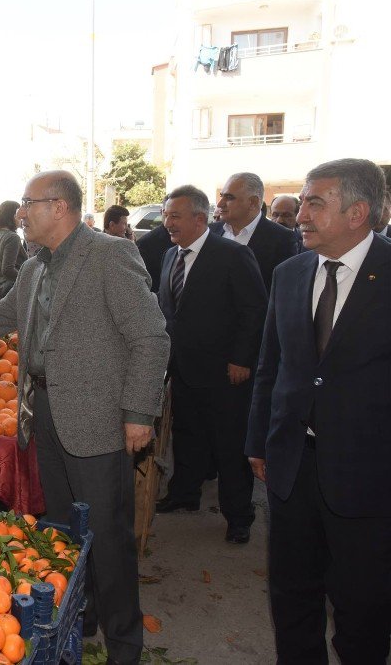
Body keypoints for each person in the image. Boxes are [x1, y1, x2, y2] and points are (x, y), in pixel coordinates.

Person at [0, 170, 169, 665]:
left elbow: (151, 337)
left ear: (60, 206)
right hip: (41, 411)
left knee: (107, 536)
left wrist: (138, 411)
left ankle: (125, 646)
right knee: (62, 528)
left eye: (29, 202)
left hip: (97, 416)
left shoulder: (108, 255)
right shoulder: (32, 268)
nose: (20, 212)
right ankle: (79, 617)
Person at [246, 158, 391, 664]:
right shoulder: (289, 273)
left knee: (363, 608)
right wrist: (258, 440)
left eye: (315, 202)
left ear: (358, 212)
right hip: (291, 465)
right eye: (302, 201)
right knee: (292, 598)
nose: (300, 213)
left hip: (369, 475)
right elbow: (271, 365)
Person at [155, 185, 267, 545]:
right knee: (187, 437)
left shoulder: (232, 255)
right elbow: (170, 312)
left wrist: (241, 359)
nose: (167, 222)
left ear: (200, 219)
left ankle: (239, 516)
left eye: (175, 216)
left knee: (230, 446)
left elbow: (254, 310)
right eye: (166, 214)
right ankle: (184, 494)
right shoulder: (171, 255)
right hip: (185, 368)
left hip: (225, 373)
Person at [211, 172, 297, 291]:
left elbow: (282, 291)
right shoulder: (211, 231)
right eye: (222, 196)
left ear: (253, 202)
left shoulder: (282, 239)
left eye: (229, 197)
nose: (220, 204)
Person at [0, 200, 27, 298]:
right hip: (6, 292)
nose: (21, 217)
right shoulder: (12, 237)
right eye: (19, 214)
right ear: (12, 216)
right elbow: (7, 269)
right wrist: (27, 279)